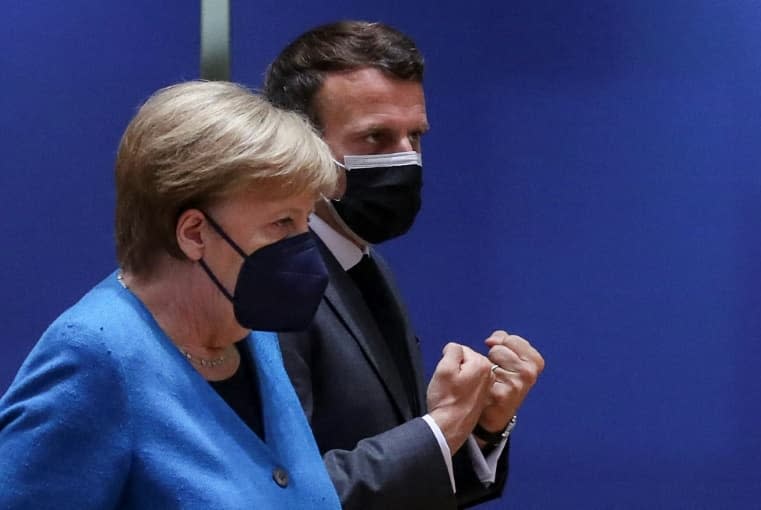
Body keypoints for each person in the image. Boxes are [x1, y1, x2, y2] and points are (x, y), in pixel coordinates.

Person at [0, 81, 342, 509]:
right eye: (282, 223)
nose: (303, 245)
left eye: (306, 219)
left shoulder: (250, 328)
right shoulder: (93, 356)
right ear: (195, 233)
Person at [264, 20, 546, 509]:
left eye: (414, 136)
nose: (407, 160)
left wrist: (479, 429)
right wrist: (440, 427)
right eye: (375, 138)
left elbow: (404, 477)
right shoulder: (270, 283)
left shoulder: (363, 262)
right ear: (298, 146)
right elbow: (279, 493)